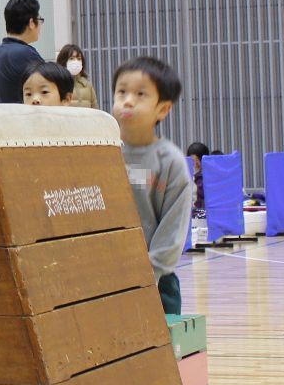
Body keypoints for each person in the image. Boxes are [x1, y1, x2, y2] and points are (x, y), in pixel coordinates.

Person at [113, 55, 193, 315]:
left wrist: (149, 273)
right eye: (121, 91)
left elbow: (173, 227)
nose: (127, 100)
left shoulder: (170, 162)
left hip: (156, 282)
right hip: (107, 278)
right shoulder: (100, 151)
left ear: (163, 109)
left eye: (140, 94)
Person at [0, 0, 43, 103]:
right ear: (32, 23)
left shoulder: (1, 52)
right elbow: (49, 88)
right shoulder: (25, 54)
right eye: (40, 19)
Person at [58, 43, 99, 109]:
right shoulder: (58, 84)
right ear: (64, 61)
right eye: (71, 58)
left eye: (79, 59)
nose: (76, 62)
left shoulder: (87, 84)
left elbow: (95, 108)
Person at [184, 141, 210, 219]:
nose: (196, 164)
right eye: (193, 161)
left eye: (199, 160)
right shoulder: (185, 174)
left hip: (204, 215)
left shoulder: (209, 177)